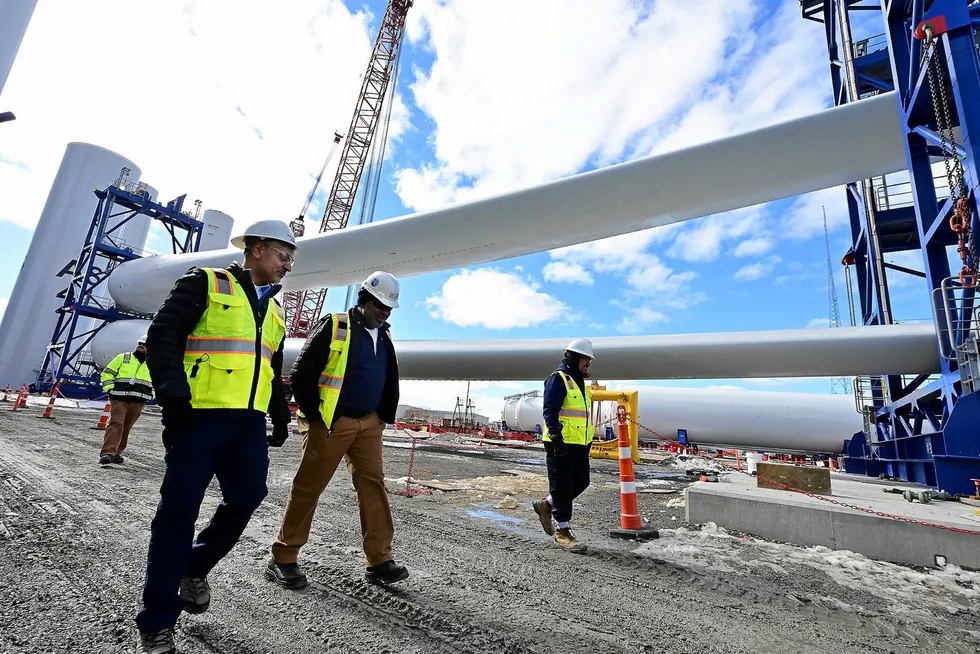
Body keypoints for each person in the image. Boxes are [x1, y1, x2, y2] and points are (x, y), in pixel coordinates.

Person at [135, 219, 296, 654]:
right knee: (177, 514)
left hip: (247, 423)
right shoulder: (206, 282)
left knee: (247, 497)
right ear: (257, 248)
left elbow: (270, 367)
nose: (288, 264)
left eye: (291, 258)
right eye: (284, 254)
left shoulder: (276, 311)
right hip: (198, 416)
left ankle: (194, 565)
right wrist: (173, 395)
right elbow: (162, 335)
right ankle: (157, 621)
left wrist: (279, 417)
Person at [266, 271, 406, 589]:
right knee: (308, 487)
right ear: (365, 300)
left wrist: (380, 416)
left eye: (389, 308)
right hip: (331, 423)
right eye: (380, 305)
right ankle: (283, 557)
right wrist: (316, 416)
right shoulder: (336, 325)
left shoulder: (383, 336)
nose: (385, 312)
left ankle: (379, 559)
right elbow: (301, 373)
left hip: (369, 424)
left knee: (374, 487)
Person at [532, 338, 595, 553]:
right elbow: (549, 411)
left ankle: (547, 504)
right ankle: (563, 531)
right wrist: (557, 441)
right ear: (574, 358)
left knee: (582, 481)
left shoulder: (579, 382)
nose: (588, 363)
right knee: (562, 485)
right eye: (586, 359)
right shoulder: (557, 379)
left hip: (579, 444)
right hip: (560, 443)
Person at [98, 333, 153, 465]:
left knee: (126, 426)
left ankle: (117, 453)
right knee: (116, 423)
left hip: (138, 400)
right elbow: (107, 373)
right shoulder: (123, 357)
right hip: (119, 397)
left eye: (144, 345)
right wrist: (110, 389)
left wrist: (152, 394)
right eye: (140, 343)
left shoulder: (153, 363)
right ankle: (107, 453)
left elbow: (159, 381)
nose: (141, 346)